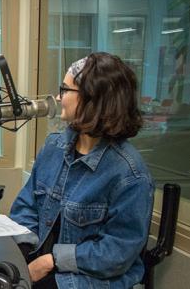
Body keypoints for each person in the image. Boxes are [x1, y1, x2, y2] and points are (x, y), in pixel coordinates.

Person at [10, 52, 155, 288]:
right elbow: (27, 205)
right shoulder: (53, 146)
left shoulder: (130, 175)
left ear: (93, 100)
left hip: (92, 278)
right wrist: (22, 249)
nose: (58, 96)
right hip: (42, 263)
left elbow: (116, 253)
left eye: (65, 89)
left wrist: (52, 260)